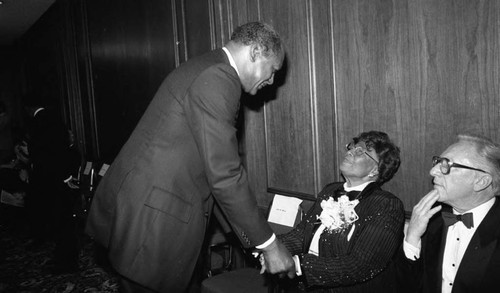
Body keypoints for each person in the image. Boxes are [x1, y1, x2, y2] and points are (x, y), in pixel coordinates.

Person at [85, 21, 295, 293]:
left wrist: (252, 243)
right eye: (273, 70)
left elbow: (210, 176)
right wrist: (270, 245)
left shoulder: (207, 67)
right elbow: (224, 175)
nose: (272, 81)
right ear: (255, 52)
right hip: (153, 226)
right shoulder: (220, 77)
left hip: (150, 216)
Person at [269, 130, 405, 292]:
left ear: (375, 170)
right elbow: (301, 234)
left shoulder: (386, 205)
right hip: (307, 285)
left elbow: (361, 264)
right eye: (352, 147)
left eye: (360, 151)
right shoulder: (330, 190)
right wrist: (271, 247)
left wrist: (299, 265)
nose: (350, 152)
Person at [396, 133, 500, 293]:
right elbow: (409, 286)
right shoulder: (432, 219)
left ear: (481, 181)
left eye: (446, 165)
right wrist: (412, 237)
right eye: (437, 162)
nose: (432, 171)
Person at [24, 101, 82, 273]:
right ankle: (62, 259)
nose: (70, 136)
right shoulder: (61, 146)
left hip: (63, 189)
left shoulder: (68, 153)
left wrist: (66, 180)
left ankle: (67, 263)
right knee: (60, 226)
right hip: (59, 187)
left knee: (64, 227)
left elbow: (69, 170)